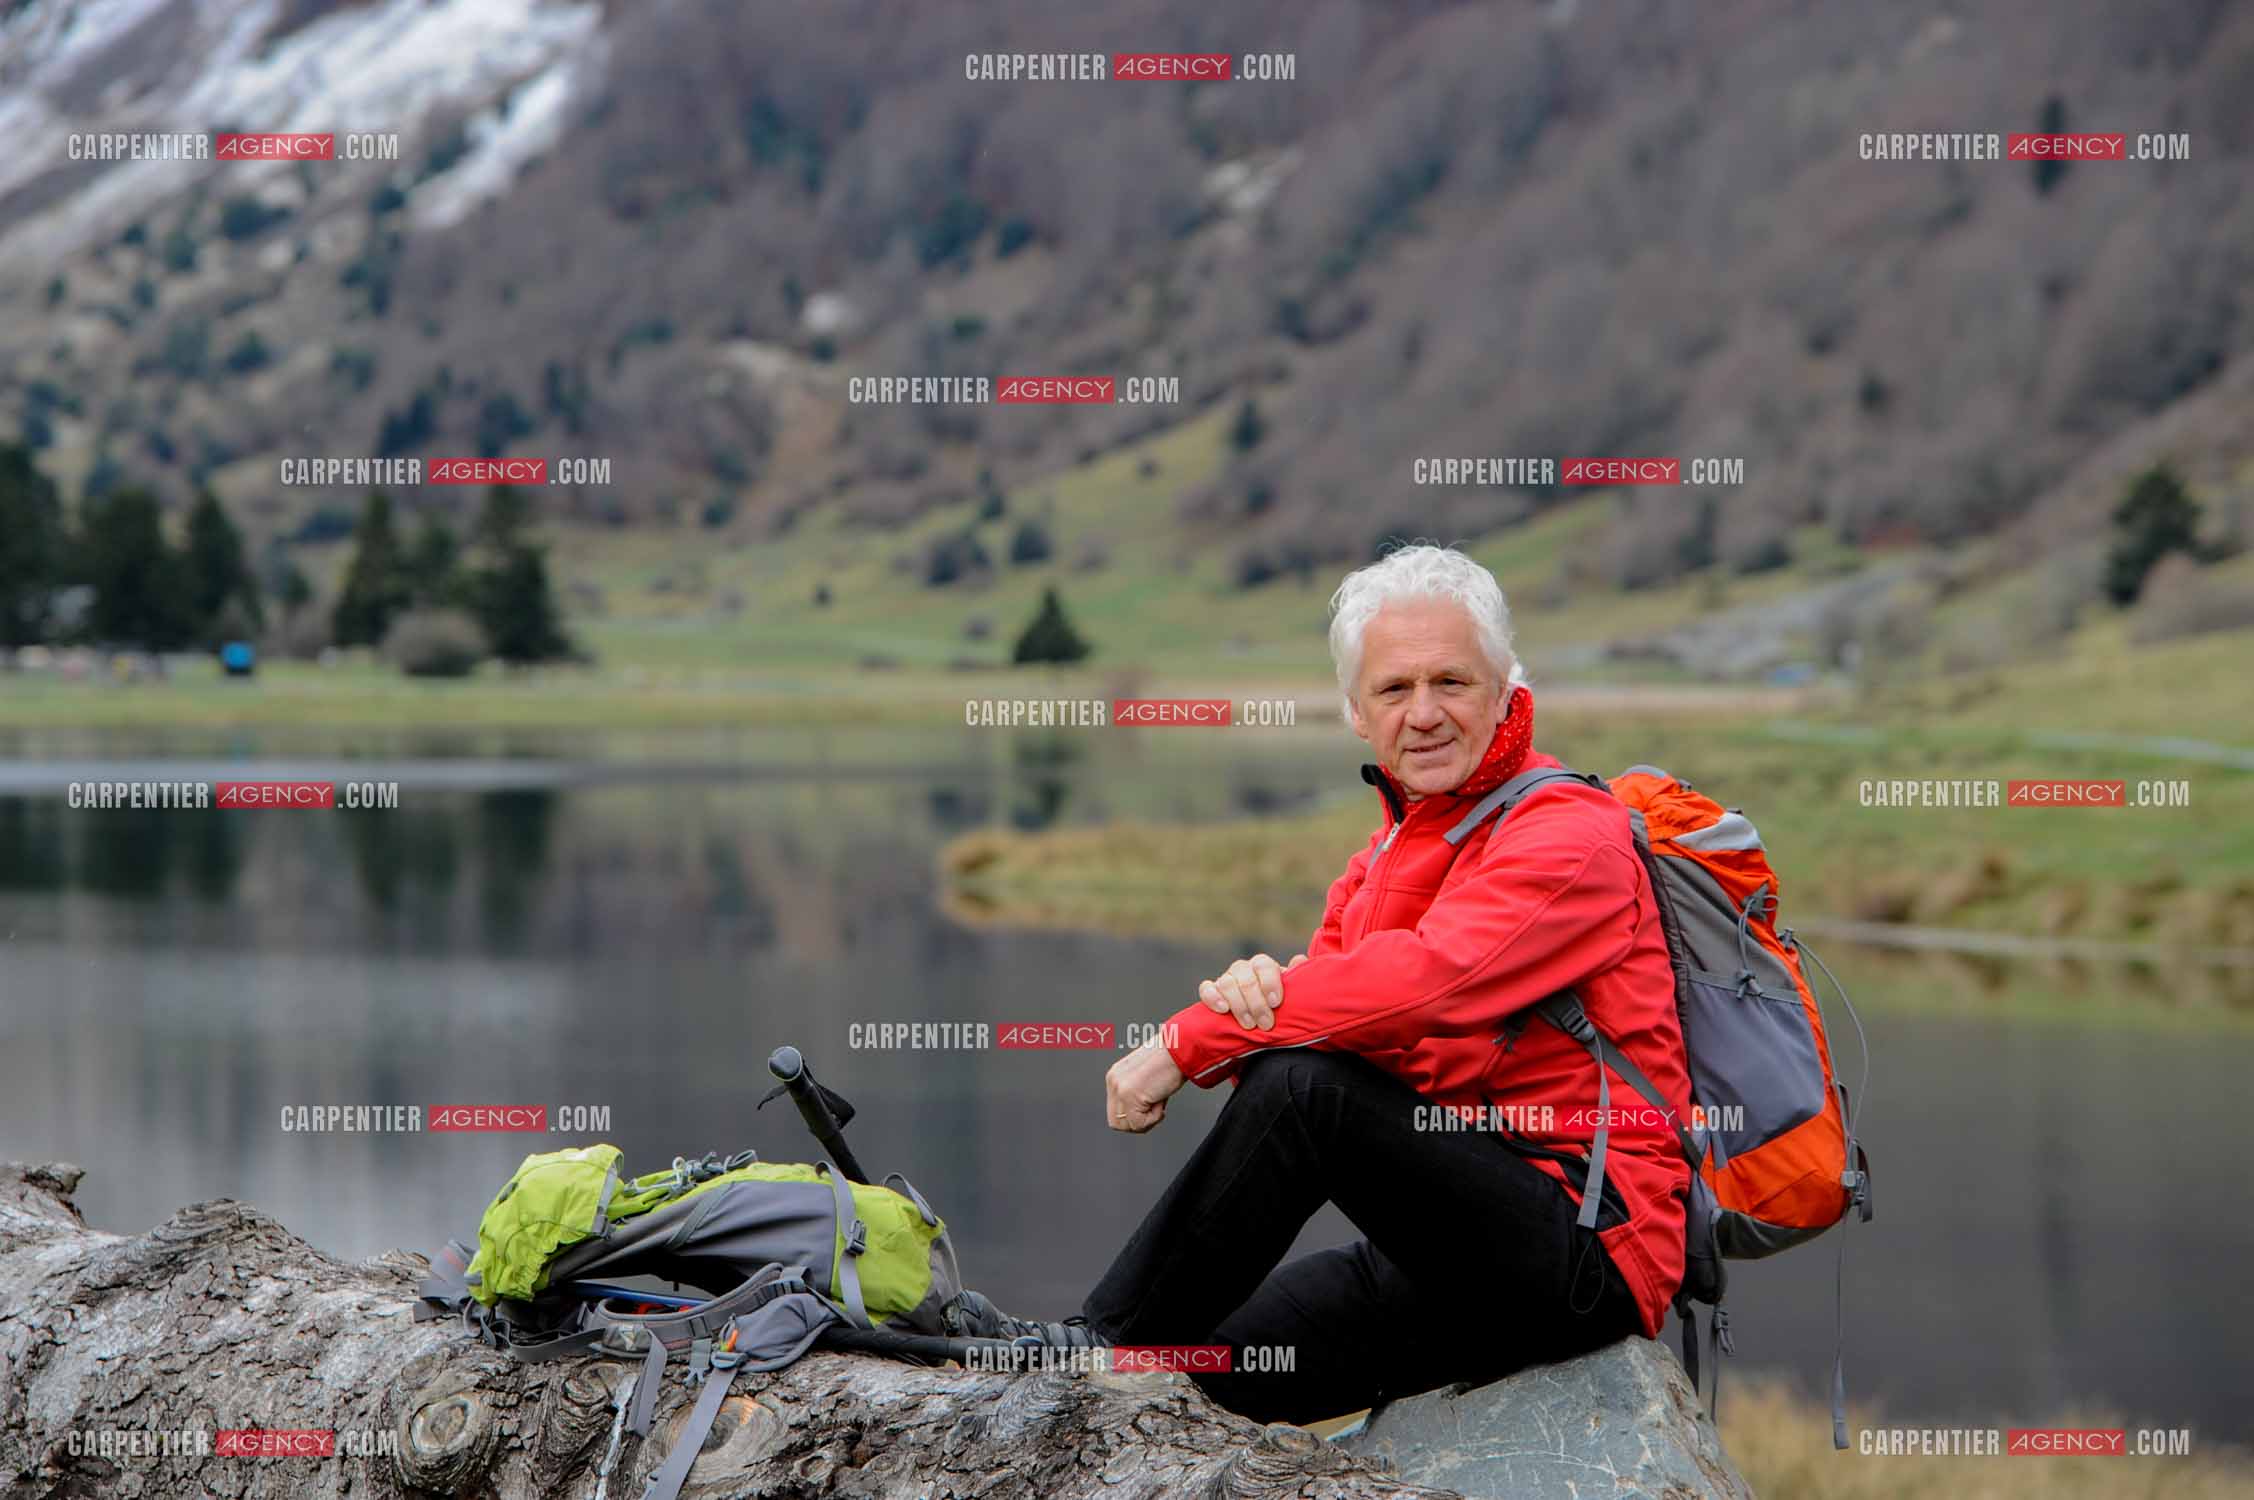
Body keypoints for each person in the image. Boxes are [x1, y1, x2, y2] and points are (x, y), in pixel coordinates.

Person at [965, 544, 1692, 1425]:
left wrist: (1188, 1041)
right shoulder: (1385, 854)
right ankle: (1109, 1362)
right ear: (1356, 712)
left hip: (1584, 1252)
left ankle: (1099, 1344)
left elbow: (1426, 986)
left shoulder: (1570, 833)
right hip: (1450, 1256)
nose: (1424, 713)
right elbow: (1327, 1026)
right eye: (1394, 689)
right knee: (1191, 1373)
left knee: (1300, 1092)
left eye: (1452, 682)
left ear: (1506, 691)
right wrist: (1251, 997)